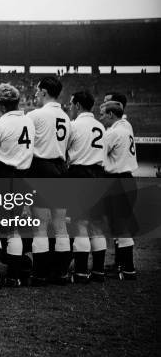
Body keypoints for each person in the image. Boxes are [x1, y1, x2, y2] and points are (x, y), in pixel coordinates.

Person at [0, 83, 35, 287]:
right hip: (22, 178)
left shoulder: (1, 124)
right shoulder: (29, 121)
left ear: (1, 104)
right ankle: (14, 276)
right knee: (12, 228)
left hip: (2, 177)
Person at [26, 76, 71, 285]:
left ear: (44, 91)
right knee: (60, 224)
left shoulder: (36, 115)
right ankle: (61, 273)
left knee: (41, 226)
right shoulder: (66, 117)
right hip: (61, 169)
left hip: (41, 168)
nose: (35, 94)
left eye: (37, 91)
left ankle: (40, 274)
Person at [66, 91, 107, 283]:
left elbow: (64, 152)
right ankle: (98, 271)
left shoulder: (73, 126)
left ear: (78, 105)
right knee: (96, 225)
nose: (69, 107)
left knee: (80, 224)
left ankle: (81, 272)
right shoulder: (101, 126)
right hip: (99, 175)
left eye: (71, 104)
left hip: (79, 174)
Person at [99, 100, 138, 280]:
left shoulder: (113, 132)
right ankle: (121, 265)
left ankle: (127, 268)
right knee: (119, 226)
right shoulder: (126, 129)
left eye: (103, 114)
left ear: (111, 115)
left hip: (117, 181)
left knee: (120, 227)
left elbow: (99, 156)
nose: (101, 117)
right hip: (128, 179)